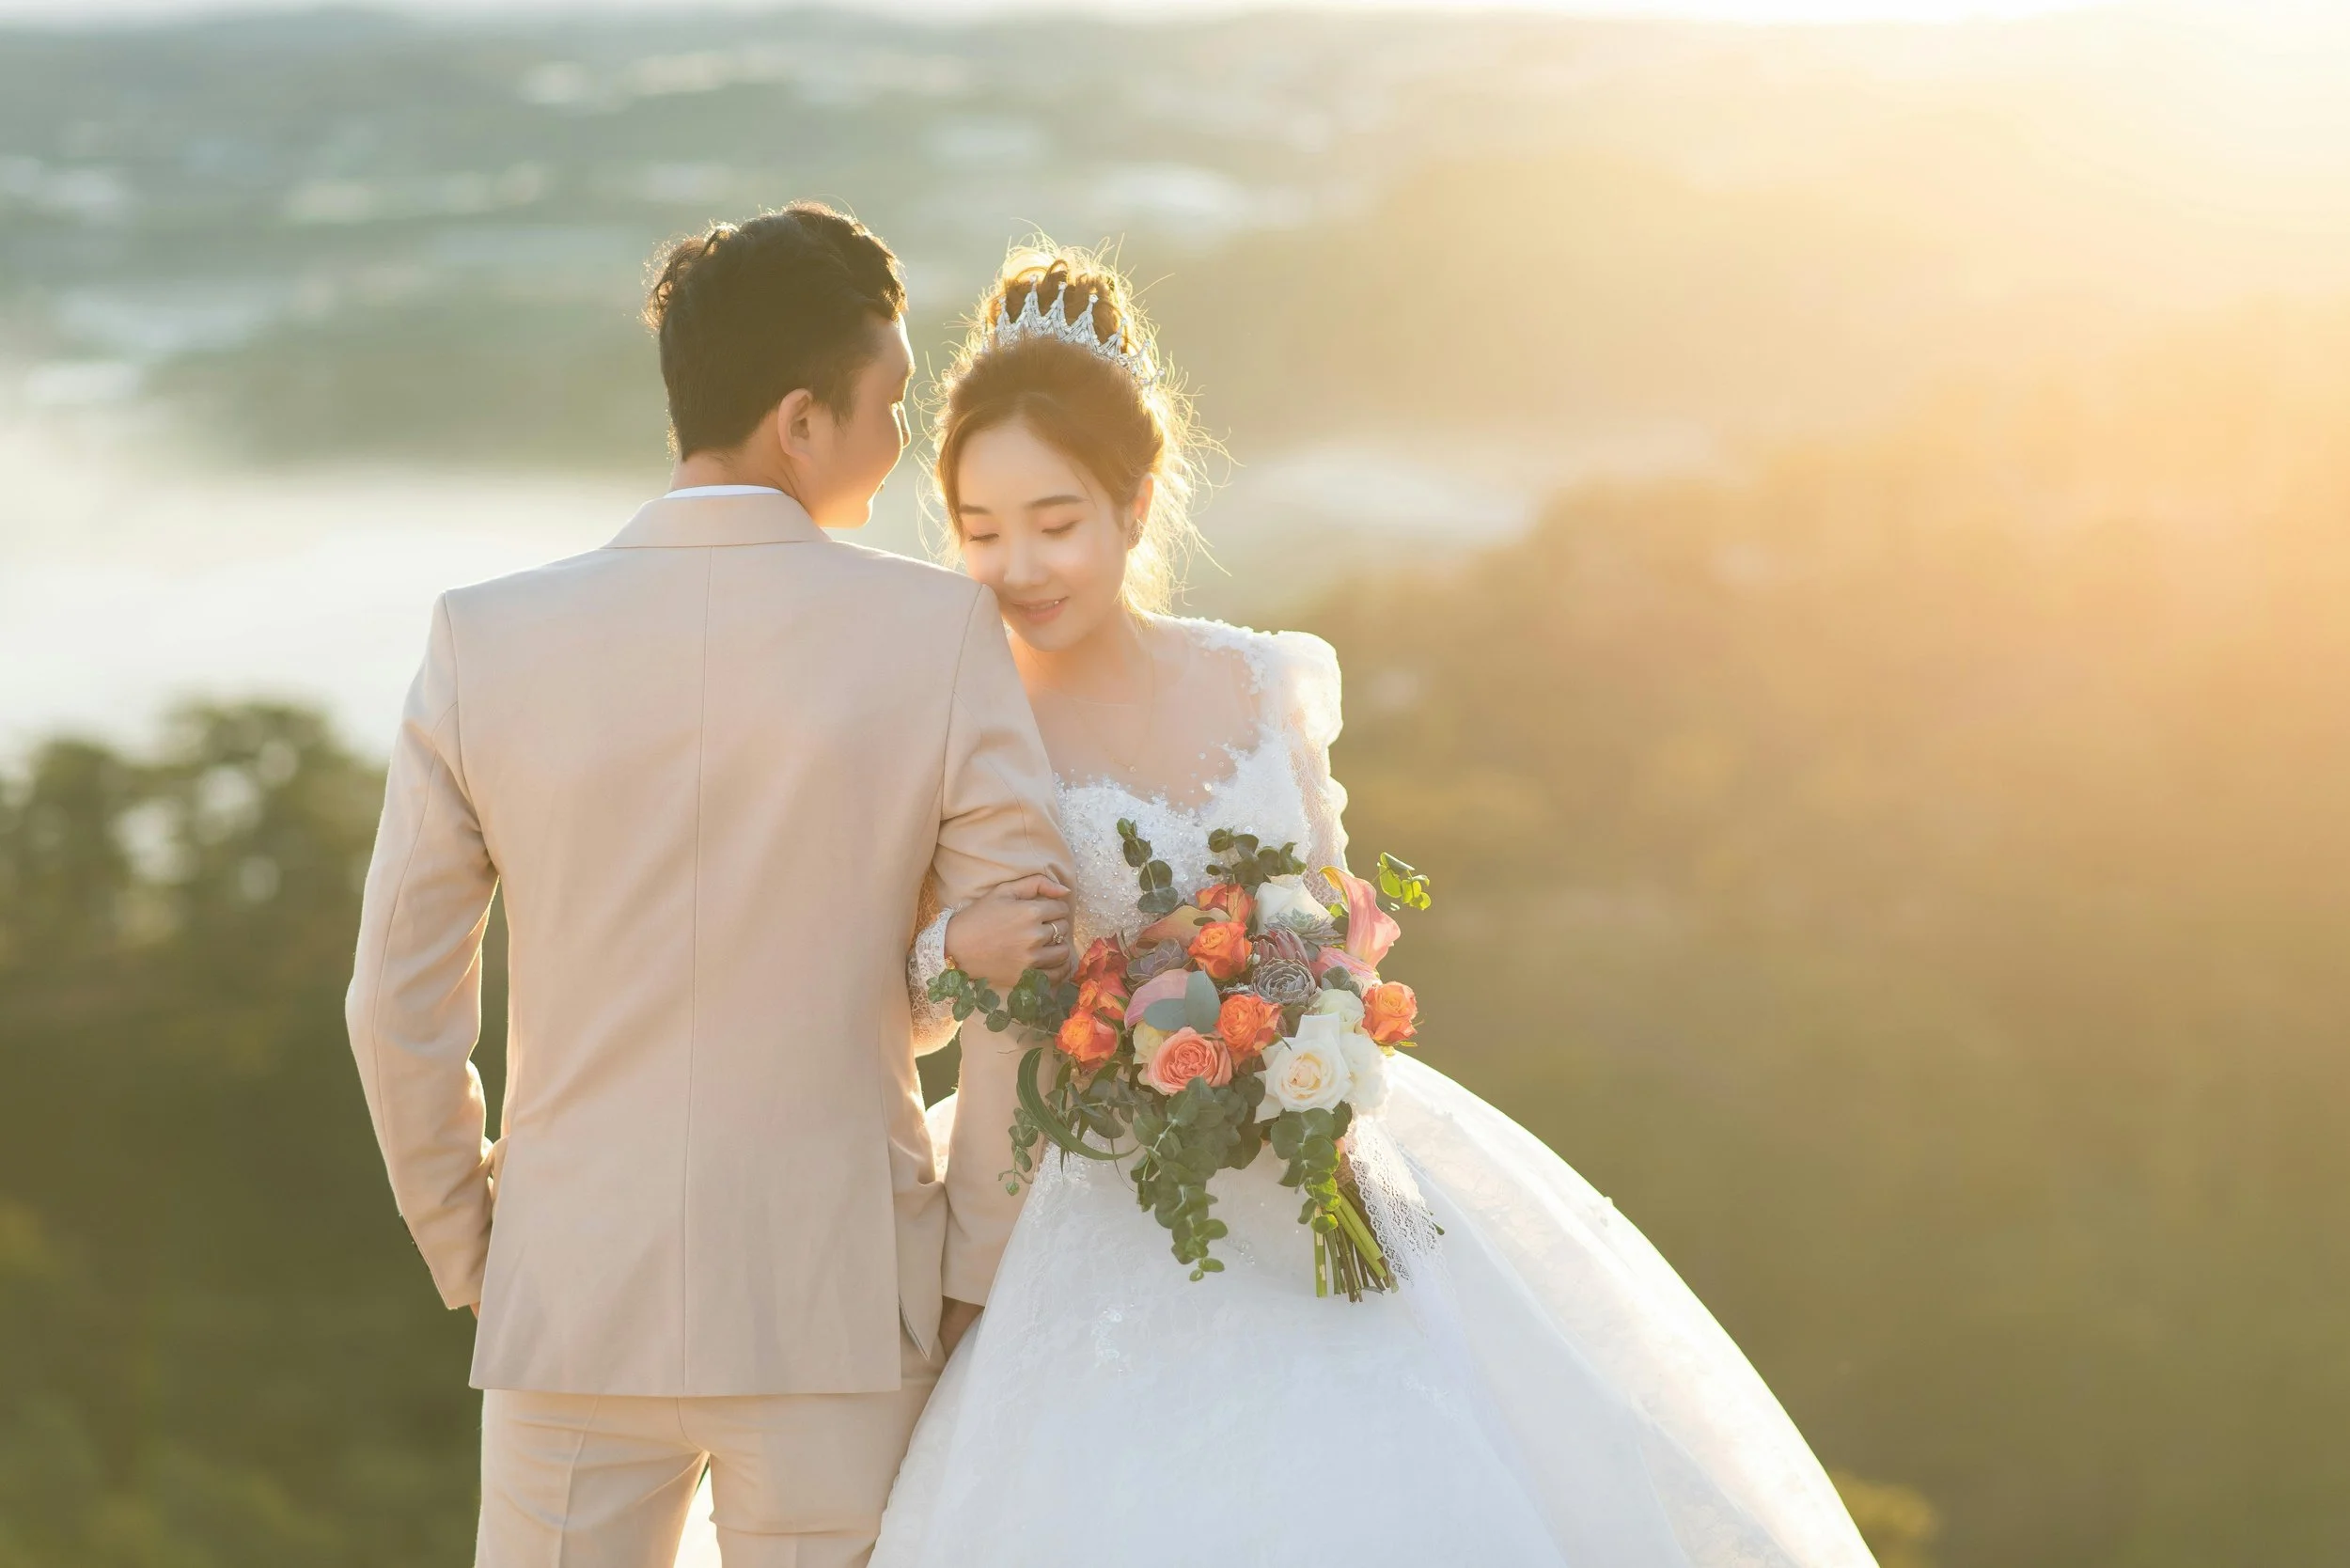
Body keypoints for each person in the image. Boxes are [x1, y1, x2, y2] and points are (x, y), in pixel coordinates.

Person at [680, 244, 1881, 1566]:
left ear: (1137, 506)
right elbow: (897, 1002)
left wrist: (1308, 1016)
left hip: (1309, 1171)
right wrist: (950, 953)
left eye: (1055, 520)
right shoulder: (956, 716)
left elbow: (1330, 911)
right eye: (979, 530)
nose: (1018, 563)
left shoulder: (1261, 684)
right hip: (1068, 1213)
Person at [344, 203, 1074, 1568]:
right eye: (890, 403)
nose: (903, 441)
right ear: (802, 423)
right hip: (842, 1300)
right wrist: (971, 1268)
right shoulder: (939, 634)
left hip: (569, 1292)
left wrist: (474, 1245)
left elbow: (395, 1003)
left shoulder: (483, 640)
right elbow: (1023, 983)